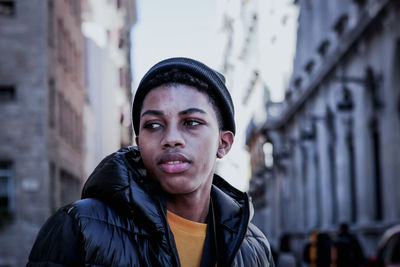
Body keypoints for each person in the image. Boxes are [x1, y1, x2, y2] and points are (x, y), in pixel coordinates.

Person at [26, 57, 275, 267]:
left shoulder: (254, 247)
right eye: (153, 125)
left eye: (191, 123)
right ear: (138, 142)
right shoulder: (78, 226)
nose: (171, 139)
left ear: (224, 143)